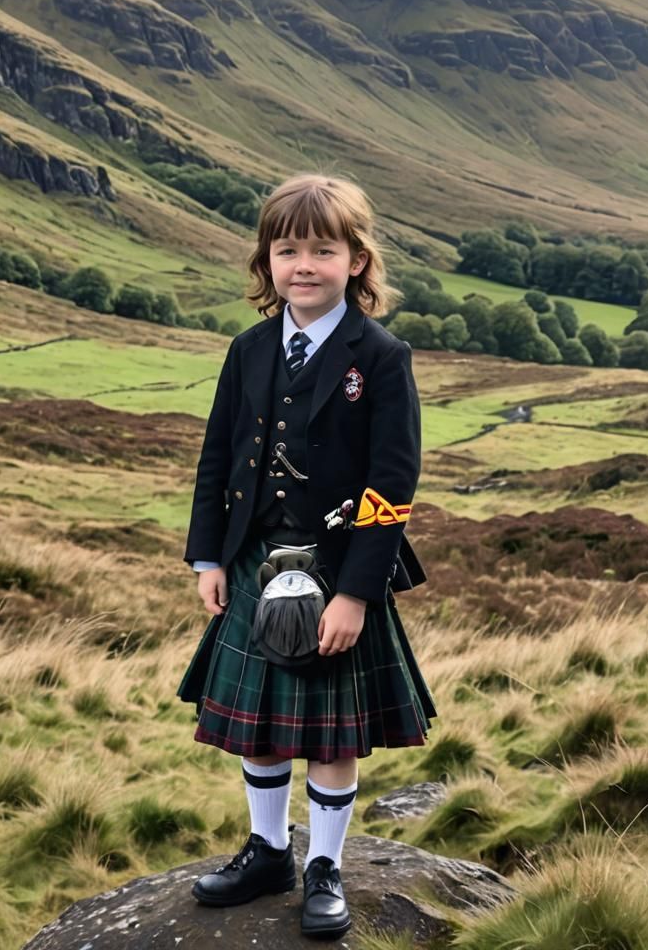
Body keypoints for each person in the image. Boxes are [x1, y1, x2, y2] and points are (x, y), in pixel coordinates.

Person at [176, 172, 437, 940]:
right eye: (288, 249)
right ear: (267, 260)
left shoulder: (380, 356)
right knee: (259, 726)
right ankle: (268, 851)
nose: (304, 265)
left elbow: (392, 485)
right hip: (253, 559)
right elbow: (217, 459)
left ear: (357, 260)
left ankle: (323, 865)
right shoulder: (249, 349)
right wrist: (207, 558)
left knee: (329, 735)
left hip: (338, 566)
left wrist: (356, 593)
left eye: (324, 250)